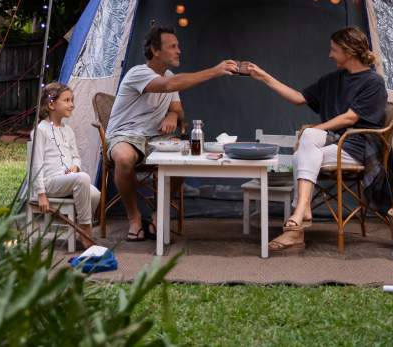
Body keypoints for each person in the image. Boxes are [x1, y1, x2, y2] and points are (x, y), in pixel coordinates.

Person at [244, 26, 387, 252]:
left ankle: (297, 225)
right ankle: (302, 213)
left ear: (349, 52)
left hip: (357, 147)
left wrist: (315, 129)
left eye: (334, 50)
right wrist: (264, 77)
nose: (330, 55)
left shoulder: (373, 82)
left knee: (304, 148)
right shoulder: (334, 79)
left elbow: (351, 117)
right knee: (304, 153)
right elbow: (299, 98)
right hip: (331, 145)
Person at [107, 24, 238, 241]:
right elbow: (167, 86)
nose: (179, 50)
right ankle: (135, 218)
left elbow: (178, 108)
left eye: (178, 46)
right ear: (155, 50)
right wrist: (215, 71)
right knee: (124, 157)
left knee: (184, 157)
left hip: (156, 138)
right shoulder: (138, 73)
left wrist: (172, 116)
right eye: (173, 46)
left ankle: (160, 212)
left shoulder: (170, 75)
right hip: (126, 135)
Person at [31, 82, 99, 248]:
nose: (72, 104)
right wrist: (41, 194)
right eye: (67, 100)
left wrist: (75, 166)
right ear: (52, 104)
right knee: (83, 179)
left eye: (72, 100)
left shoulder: (68, 130)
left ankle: (79, 226)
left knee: (95, 194)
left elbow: (76, 156)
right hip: (48, 183)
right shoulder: (40, 130)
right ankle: (85, 231)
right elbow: (36, 164)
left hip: (66, 180)